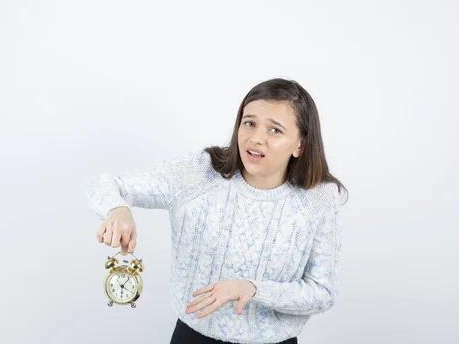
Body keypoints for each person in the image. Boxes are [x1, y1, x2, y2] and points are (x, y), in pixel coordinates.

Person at [85, 78, 348, 344]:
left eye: (275, 130)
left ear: (300, 145)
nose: (256, 138)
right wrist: (118, 209)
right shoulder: (201, 174)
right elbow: (108, 183)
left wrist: (253, 290)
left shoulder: (319, 199)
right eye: (250, 123)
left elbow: (322, 292)